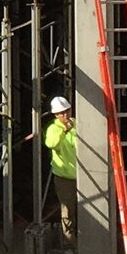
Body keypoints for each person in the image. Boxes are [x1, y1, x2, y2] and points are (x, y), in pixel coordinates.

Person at [43, 96, 79, 241]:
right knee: (68, 211)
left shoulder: (77, 123)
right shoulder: (53, 129)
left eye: (67, 111)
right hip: (64, 177)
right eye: (61, 113)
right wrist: (64, 130)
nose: (65, 115)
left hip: (82, 174)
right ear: (56, 115)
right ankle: (69, 243)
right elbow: (51, 144)